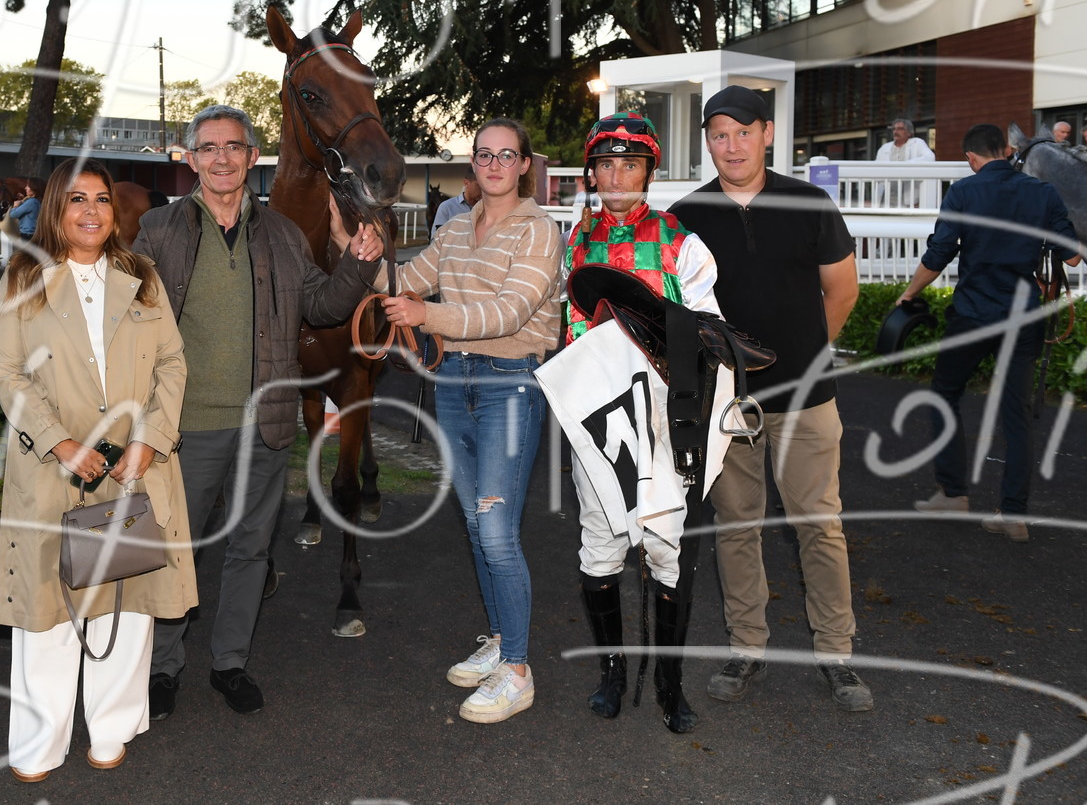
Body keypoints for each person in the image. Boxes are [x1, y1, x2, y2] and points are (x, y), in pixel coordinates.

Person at [133, 105, 383, 720]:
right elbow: (127, 319)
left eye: (233, 147)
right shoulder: (158, 230)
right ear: (191, 159)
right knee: (174, 549)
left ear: (252, 157)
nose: (221, 158)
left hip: (262, 425)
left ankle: (230, 663)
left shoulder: (281, 233)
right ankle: (162, 667)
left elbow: (322, 306)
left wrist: (358, 262)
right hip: (183, 426)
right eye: (208, 147)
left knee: (249, 550)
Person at [0, 158, 194, 779]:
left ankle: (111, 729)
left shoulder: (141, 276)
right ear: (55, 207)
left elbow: (172, 363)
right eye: (77, 199)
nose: (91, 211)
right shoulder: (23, 276)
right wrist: (59, 442)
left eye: (101, 199)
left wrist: (152, 439)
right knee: (46, 609)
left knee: (127, 604)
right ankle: (39, 743)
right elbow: (6, 369)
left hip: (133, 467)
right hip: (54, 468)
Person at [673, 85, 873, 713]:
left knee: (820, 526)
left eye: (743, 132)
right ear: (708, 142)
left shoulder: (809, 204)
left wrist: (805, 355)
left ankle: (836, 653)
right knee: (737, 527)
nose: (731, 145)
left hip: (807, 400)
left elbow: (843, 291)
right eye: (719, 134)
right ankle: (747, 647)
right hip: (728, 403)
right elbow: (678, 312)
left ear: (766, 133)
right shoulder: (686, 217)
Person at [374, 118, 561, 724]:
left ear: (524, 165)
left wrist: (427, 315)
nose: (495, 164)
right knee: (479, 526)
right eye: (485, 154)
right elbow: (404, 282)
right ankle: (502, 642)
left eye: (507, 155)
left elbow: (509, 313)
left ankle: (518, 672)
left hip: (511, 382)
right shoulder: (454, 228)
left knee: (497, 529)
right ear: (473, 163)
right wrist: (366, 253)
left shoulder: (540, 230)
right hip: (454, 381)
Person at [546, 112, 721, 733]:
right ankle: (612, 674)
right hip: (597, 418)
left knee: (667, 544)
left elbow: (708, 332)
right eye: (606, 164)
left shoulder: (681, 241)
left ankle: (671, 686)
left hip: (664, 418)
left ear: (649, 171)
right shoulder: (572, 241)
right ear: (591, 174)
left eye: (630, 164)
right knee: (600, 541)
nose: (617, 176)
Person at [900, 123, 1080, 542]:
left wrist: (908, 294)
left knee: (945, 394)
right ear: (1007, 150)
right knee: (1017, 415)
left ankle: (953, 493)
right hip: (1022, 316)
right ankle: (1013, 514)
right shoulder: (1043, 192)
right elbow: (1072, 258)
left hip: (974, 314)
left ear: (971, 158)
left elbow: (939, 254)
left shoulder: (964, 192)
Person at [873, 118, 935, 208]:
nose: (896, 131)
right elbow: (875, 169)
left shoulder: (917, 143)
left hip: (908, 197)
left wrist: (905, 165)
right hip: (886, 197)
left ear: (909, 133)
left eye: (900, 129)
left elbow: (930, 158)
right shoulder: (885, 148)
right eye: (894, 129)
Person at [430, 169, 481, 237]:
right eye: (479, 185)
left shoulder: (488, 208)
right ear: (466, 183)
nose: (484, 190)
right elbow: (436, 239)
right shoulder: (447, 207)